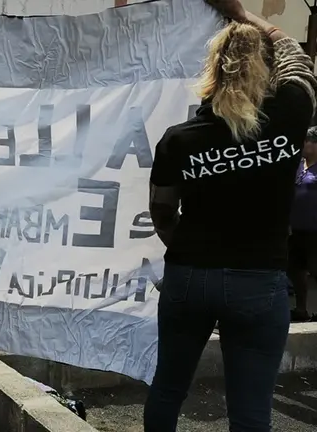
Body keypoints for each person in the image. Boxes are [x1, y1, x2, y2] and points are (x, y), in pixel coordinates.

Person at [145, 1, 317, 431]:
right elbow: (299, 61)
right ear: (264, 70)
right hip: (259, 279)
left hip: (190, 275)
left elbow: (161, 212)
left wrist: (190, 248)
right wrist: (242, 14)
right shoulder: (291, 113)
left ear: (212, 71)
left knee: (168, 388)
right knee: (251, 407)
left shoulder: (179, 139)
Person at [288, 126, 317, 322]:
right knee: (296, 270)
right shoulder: (299, 165)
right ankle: (300, 309)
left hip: (315, 229)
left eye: (308, 141)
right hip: (296, 229)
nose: (304, 144)